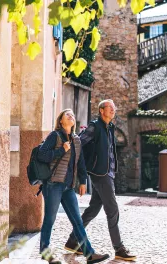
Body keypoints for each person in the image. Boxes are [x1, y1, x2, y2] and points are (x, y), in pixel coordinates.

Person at [64, 100, 137, 261]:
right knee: (112, 210)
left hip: (107, 172)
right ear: (101, 110)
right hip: (100, 174)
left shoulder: (109, 127)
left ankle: (72, 241)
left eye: (114, 108)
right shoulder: (95, 126)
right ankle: (119, 248)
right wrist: (81, 167)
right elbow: (79, 142)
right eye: (110, 108)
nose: (113, 110)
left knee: (94, 208)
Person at [38, 109, 110, 264]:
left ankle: (89, 254)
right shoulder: (54, 136)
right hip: (53, 184)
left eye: (72, 115)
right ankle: (45, 251)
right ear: (61, 121)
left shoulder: (76, 139)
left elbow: (81, 162)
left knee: (77, 220)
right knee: (50, 218)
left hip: (68, 187)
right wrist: (60, 150)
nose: (71, 116)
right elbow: (42, 155)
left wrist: (83, 181)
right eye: (67, 115)